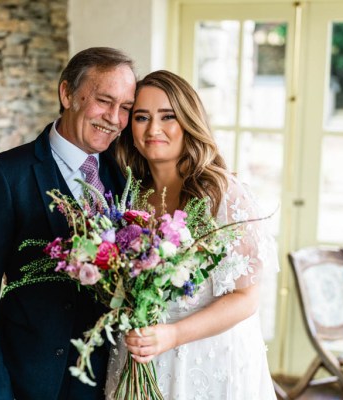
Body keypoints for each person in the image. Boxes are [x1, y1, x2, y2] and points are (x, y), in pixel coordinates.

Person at [0, 47, 137, 400]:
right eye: (104, 100)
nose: (115, 118)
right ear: (67, 93)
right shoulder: (6, 175)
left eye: (126, 108)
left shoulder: (123, 175)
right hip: (31, 383)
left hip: (109, 382)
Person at [106, 70, 278, 399]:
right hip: (140, 356)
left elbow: (246, 299)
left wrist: (172, 335)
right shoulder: (128, 196)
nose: (153, 129)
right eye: (141, 117)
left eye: (168, 117)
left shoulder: (223, 195)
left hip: (209, 362)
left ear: (189, 121)